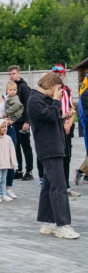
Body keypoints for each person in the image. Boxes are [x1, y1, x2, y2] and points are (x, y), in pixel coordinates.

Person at [28, 72, 79, 239]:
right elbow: (48, 115)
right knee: (59, 187)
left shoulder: (45, 101)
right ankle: (63, 225)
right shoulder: (35, 100)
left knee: (49, 186)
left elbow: (50, 118)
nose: (59, 93)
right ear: (49, 86)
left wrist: (64, 116)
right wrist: (57, 102)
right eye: (58, 89)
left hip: (54, 147)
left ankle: (47, 222)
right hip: (49, 149)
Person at [51, 64, 80, 197]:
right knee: (56, 156)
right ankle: (56, 185)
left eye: (60, 73)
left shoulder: (67, 90)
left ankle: (66, 187)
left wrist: (68, 124)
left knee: (67, 156)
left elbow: (71, 108)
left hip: (67, 125)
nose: (58, 75)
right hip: (55, 125)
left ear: (64, 74)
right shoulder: (49, 90)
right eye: (56, 73)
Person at [8, 65, 34, 180]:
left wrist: (27, 121)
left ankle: (29, 171)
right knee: (15, 147)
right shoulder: (11, 87)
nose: (11, 76)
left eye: (13, 73)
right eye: (9, 74)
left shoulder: (23, 87)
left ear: (18, 73)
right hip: (13, 122)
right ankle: (18, 169)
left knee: (26, 146)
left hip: (23, 121)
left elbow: (28, 104)